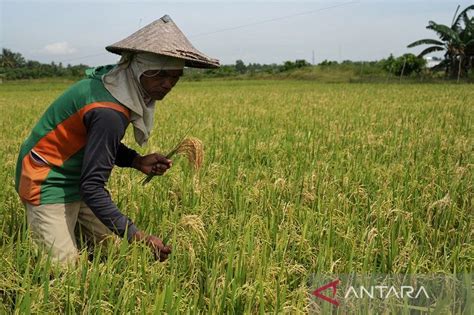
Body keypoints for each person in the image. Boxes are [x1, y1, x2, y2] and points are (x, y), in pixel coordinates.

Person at [14, 15, 219, 264]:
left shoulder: (115, 85)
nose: (168, 84)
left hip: (77, 175)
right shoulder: (109, 111)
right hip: (48, 178)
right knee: (64, 270)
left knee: (112, 254)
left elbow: (96, 143)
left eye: (175, 77)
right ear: (139, 69)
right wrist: (139, 236)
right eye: (160, 74)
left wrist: (136, 160)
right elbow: (92, 186)